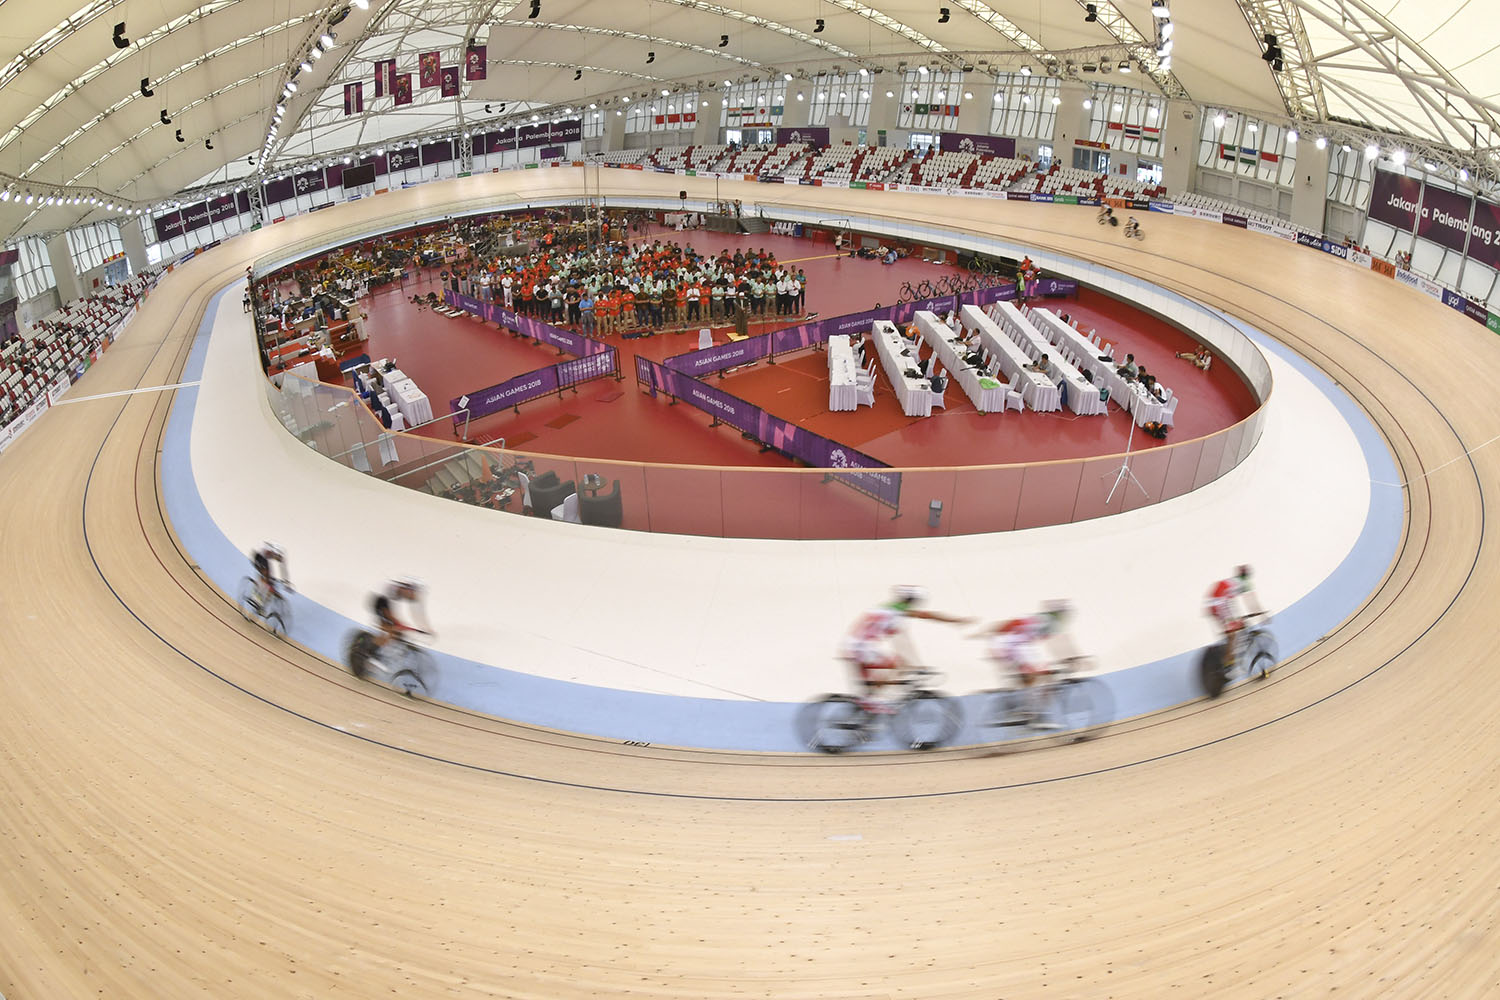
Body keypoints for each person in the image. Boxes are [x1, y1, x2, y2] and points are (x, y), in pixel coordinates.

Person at [842, 586, 974, 712]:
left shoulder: (886, 609)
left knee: (871, 685)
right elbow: (903, 642)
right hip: (863, 648)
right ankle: (870, 701)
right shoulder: (896, 614)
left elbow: (923, 619)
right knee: (898, 664)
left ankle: (867, 703)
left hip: (853, 646)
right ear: (912, 601)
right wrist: (916, 665)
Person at [973, 600, 1074, 728]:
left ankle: (1026, 711)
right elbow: (1058, 644)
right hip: (1012, 647)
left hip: (1013, 647)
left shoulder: (1041, 620)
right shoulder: (1047, 622)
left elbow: (1060, 643)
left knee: (1031, 679)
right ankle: (1033, 715)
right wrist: (1070, 658)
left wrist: (985, 632)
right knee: (1042, 674)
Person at [1206, 565, 1259, 670]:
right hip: (1220, 603)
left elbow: (1230, 602)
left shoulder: (1232, 581)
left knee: (1230, 631)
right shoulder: (1244, 583)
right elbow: (1250, 602)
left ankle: (1226, 657)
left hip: (1212, 603)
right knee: (1232, 633)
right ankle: (1227, 661)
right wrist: (1259, 614)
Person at [371, 578, 430, 663]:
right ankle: (374, 652)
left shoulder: (406, 592)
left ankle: (381, 650)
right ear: (410, 590)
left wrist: (425, 628)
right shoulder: (398, 590)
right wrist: (397, 623)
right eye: (415, 594)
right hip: (381, 603)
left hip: (385, 604)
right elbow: (388, 611)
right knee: (390, 629)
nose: (414, 597)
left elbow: (416, 613)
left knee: (397, 631)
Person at [249, 542, 290, 609]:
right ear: (275, 553)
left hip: (265, 559)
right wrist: (266, 577)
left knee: (270, 581)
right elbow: (264, 566)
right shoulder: (269, 551)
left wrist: (286, 581)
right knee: (265, 578)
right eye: (278, 558)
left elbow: (283, 569)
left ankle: (262, 605)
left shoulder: (281, 557)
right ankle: (256, 597)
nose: (278, 559)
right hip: (258, 556)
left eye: (279, 558)